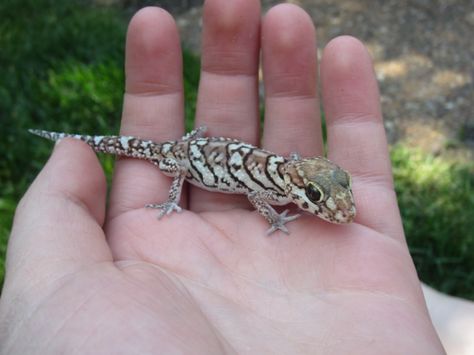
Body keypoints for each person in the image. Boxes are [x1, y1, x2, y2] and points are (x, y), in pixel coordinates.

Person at [0, 1, 447, 354]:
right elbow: (254, 193)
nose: (328, 206)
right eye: (317, 196)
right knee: (169, 164)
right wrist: (271, 217)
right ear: (298, 187)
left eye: (329, 193)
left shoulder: (284, 173)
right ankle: (169, 195)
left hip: (200, 150)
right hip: (183, 159)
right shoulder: (272, 185)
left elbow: (265, 180)